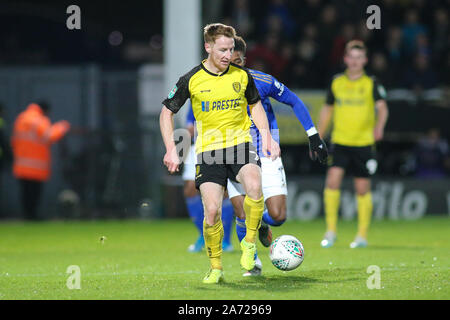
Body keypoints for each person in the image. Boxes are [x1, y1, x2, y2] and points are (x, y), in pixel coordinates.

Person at [160, 23, 280, 284]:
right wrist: (172, 148)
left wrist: (267, 137)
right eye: (223, 50)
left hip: (240, 145)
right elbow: (166, 112)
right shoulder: (191, 79)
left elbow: (256, 106)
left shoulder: (241, 76)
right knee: (212, 211)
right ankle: (216, 268)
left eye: (231, 49)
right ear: (208, 47)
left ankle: (249, 244)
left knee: (255, 187)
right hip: (209, 152)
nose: (228, 55)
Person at [227, 35, 328, 276]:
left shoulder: (261, 81)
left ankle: (261, 222)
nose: (234, 65)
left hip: (267, 151)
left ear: (244, 59)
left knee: (278, 216)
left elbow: (293, 100)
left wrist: (313, 135)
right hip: (235, 154)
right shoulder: (212, 86)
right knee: (242, 213)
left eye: (238, 61)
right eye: (230, 60)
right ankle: (252, 262)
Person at [318, 40, 389, 249]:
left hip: (364, 143)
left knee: (362, 189)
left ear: (365, 60)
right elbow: (327, 110)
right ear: (346, 59)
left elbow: (383, 108)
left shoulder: (371, 83)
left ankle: (361, 235)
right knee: (332, 182)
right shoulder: (336, 82)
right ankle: (330, 231)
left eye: (360, 57)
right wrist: (318, 136)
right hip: (340, 141)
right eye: (352, 57)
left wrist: (380, 127)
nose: (356, 61)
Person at [182, 104, 235, 253]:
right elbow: (189, 129)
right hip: (197, 147)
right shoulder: (195, 99)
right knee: (190, 190)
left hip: (218, 145)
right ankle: (204, 234)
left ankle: (225, 240)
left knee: (222, 192)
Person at [11, 101, 71, 220]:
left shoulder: (21, 118)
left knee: (25, 193)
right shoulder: (39, 120)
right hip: (36, 166)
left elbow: (14, 140)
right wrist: (62, 127)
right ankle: (32, 216)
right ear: (45, 110)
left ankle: (26, 215)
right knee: (34, 194)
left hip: (21, 164)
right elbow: (50, 136)